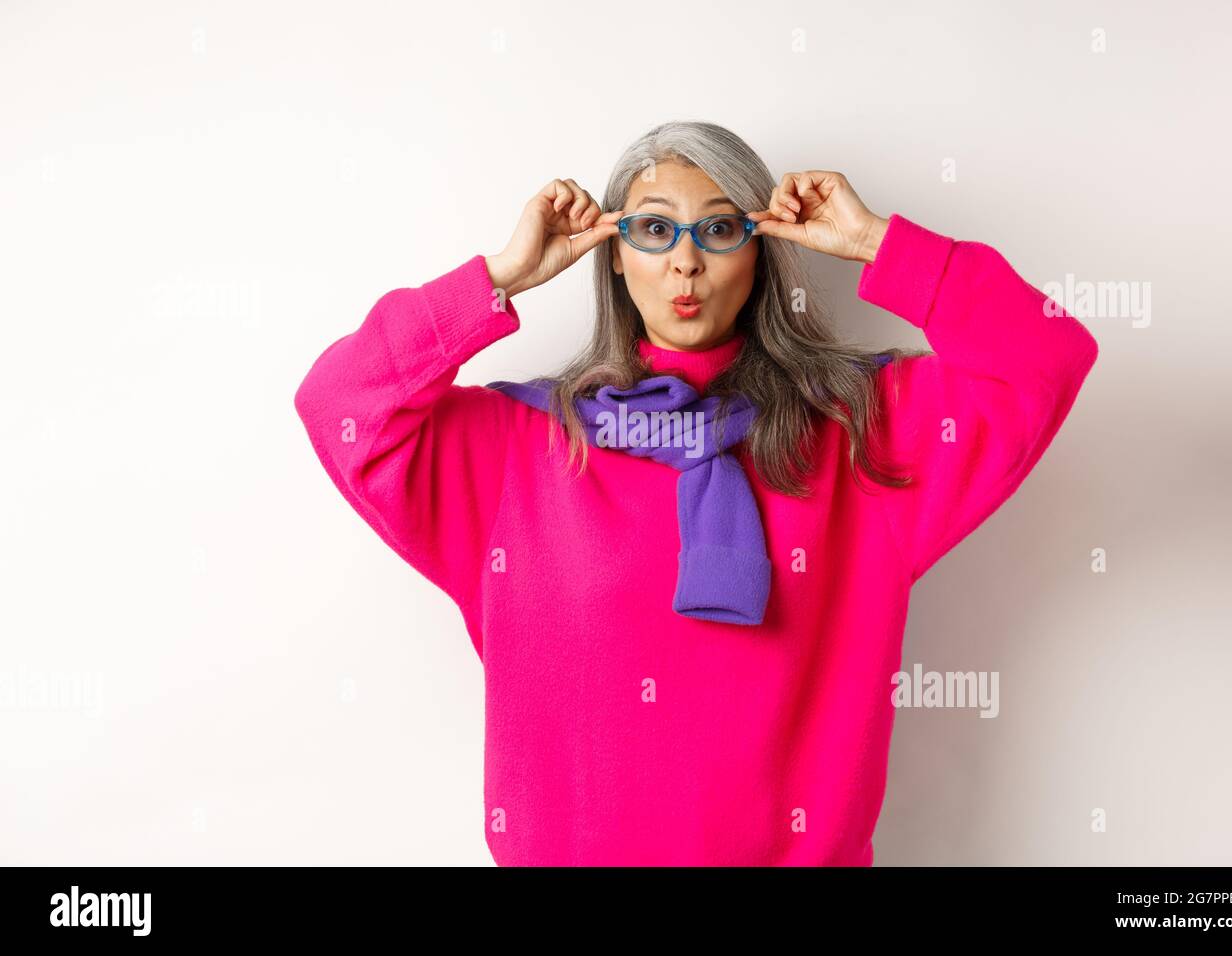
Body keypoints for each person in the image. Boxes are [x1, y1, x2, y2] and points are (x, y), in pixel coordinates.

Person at [292, 120, 1099, 866]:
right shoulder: (518, 447)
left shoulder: (859, 433)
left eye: (718, 228)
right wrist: (498, 279)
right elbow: (340, 405)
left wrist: (878, 244)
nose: (685, 262)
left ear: (761, 249)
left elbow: (1047, 353)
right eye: (652, 228)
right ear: (612, 253)